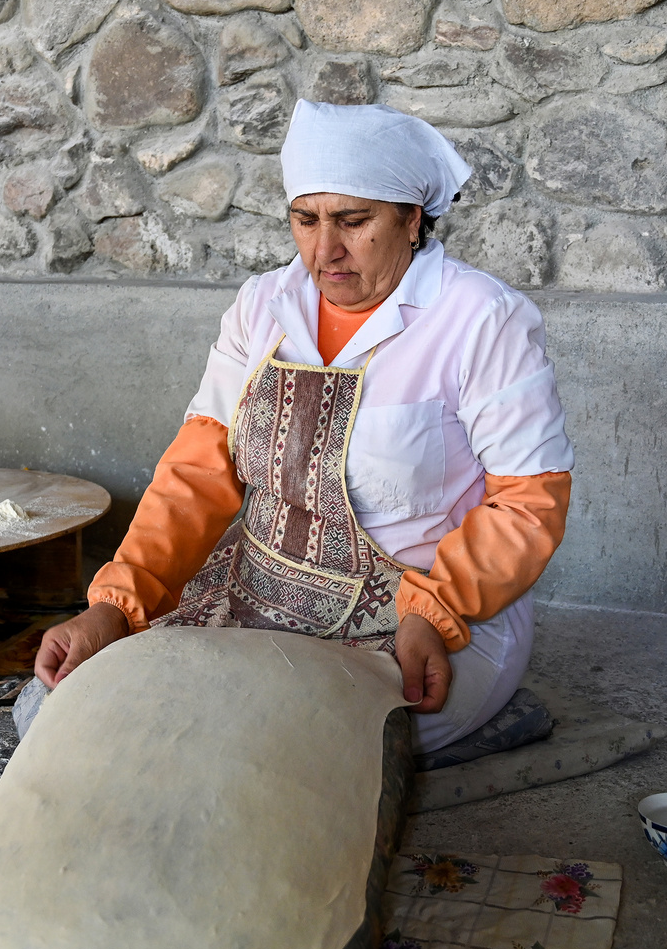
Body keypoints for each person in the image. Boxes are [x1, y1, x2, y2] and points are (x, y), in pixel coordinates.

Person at [33, 101, 574, 754]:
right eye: (305, 220)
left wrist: (436, 611)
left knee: (276, 749)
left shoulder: (482, 320)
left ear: (410, 219)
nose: (325, 250)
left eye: (353, 221)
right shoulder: (263, 306)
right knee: (65, 709)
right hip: (257, 592)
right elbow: (198, 473)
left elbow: (528, 502)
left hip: (428, 618)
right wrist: (117, 605)